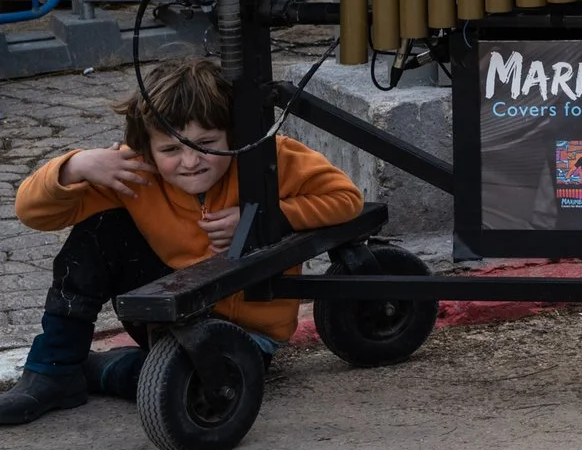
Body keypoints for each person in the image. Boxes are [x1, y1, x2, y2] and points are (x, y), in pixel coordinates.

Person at [0, 55, 367, 425]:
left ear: (233, 134)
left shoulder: (270, 158)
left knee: (186, 388)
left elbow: (347, 199)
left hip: (245, 335)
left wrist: (265, 218)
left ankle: (100, 370)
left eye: (207, 143)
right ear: (147, 148)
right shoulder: (136, 171)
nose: (191, 161)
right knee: (99, 230)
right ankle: (53, 367)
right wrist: (74, 166)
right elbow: (34, 213)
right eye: (171, 149)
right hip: (167, 312)